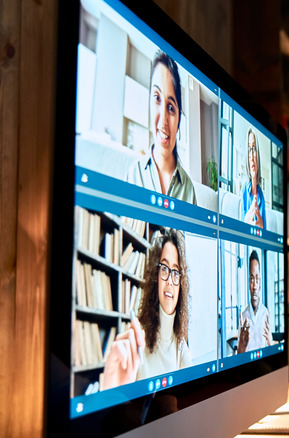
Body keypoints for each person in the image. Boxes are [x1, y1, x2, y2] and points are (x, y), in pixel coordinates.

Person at [103, 228, 193, 389]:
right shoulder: (137, 339)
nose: (170, 281)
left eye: (176, 272)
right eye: (164, 268)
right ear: (156, 276)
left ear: (181, 283)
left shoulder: (181, 346)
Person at [127, 50, 198, 206]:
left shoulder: (188, 190)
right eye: (157, 98)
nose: (163, 121)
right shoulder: (134, 174)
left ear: (179, 120)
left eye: (171, 108)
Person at [237, 249, 272, 353]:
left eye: (257, 279)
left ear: (260, 283)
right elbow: (239, 355)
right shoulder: (243, 317)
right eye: (252, 279)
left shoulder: (266, 314)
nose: (255, 286)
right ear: (248, 283)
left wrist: (271, 342)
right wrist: (240, 348)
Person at [241, 129, 266, 227]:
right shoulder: (244, 190)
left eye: (254, 148)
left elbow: (265, 233)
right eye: (248, 149)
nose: (251, 156)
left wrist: (262, 227)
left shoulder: (261, 195)